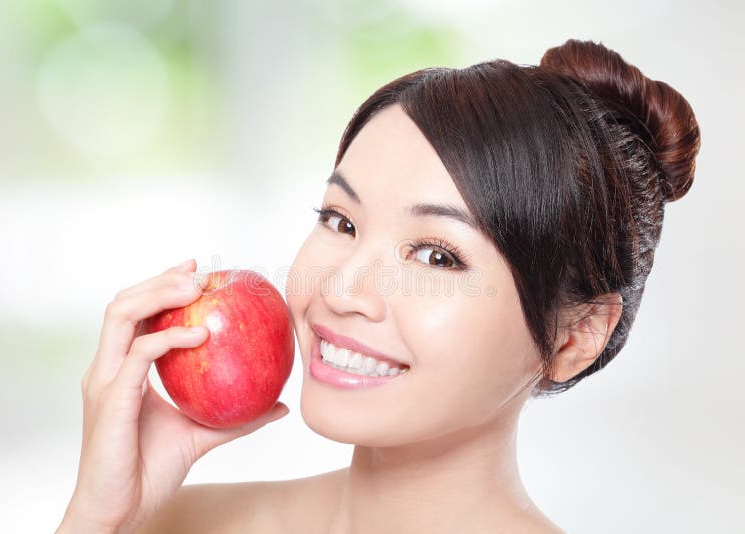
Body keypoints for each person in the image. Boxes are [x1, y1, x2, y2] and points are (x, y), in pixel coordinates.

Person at [57, 38, 701, 533]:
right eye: (340, 220)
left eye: (438, 256)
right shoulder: (179, 523)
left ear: (576, 335)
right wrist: (96, 518)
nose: (341, 288)